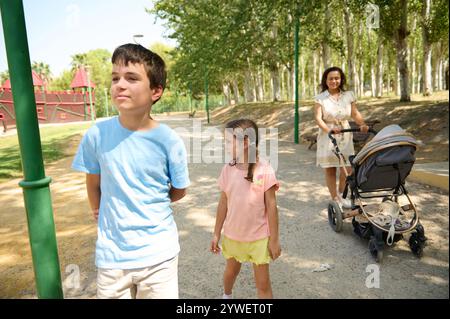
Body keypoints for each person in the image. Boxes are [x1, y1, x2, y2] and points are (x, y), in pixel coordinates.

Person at [71, 44, 190, 299]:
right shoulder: (96, 135)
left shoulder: (169, 141)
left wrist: (151, 203)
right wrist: (99, 208)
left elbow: (179, 190)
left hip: (159, 256)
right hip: (113, 258)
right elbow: (93, 183)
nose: (120, 85)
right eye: (115, 78)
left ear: (155, 91)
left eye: (132, 78)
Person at [210, 119, 281, 299]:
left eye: (228, 141)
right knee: (230, 273)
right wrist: (216, 233)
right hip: (233, 236)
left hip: (258, 238)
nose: (225, 146)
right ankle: (226, 296)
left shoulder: (265, 170)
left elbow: (272, 207)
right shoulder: (228, 170)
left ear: (246, 142)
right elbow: (223, 203)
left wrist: (274, 240)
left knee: (263, 285)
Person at [314, 66, 369, 208]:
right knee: (331, 168)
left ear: (341, 79)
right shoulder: (320, 98)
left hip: (345, 133)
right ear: (326, 81)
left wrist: (362, 123)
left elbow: (355, 113)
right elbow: (318, 118)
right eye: (331, 78)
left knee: (347, 168)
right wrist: (329, 130)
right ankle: (335, 199)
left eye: (336, 78)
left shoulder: (348, 95)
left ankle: (341, 194)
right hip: (328, 135)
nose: (334, 81)